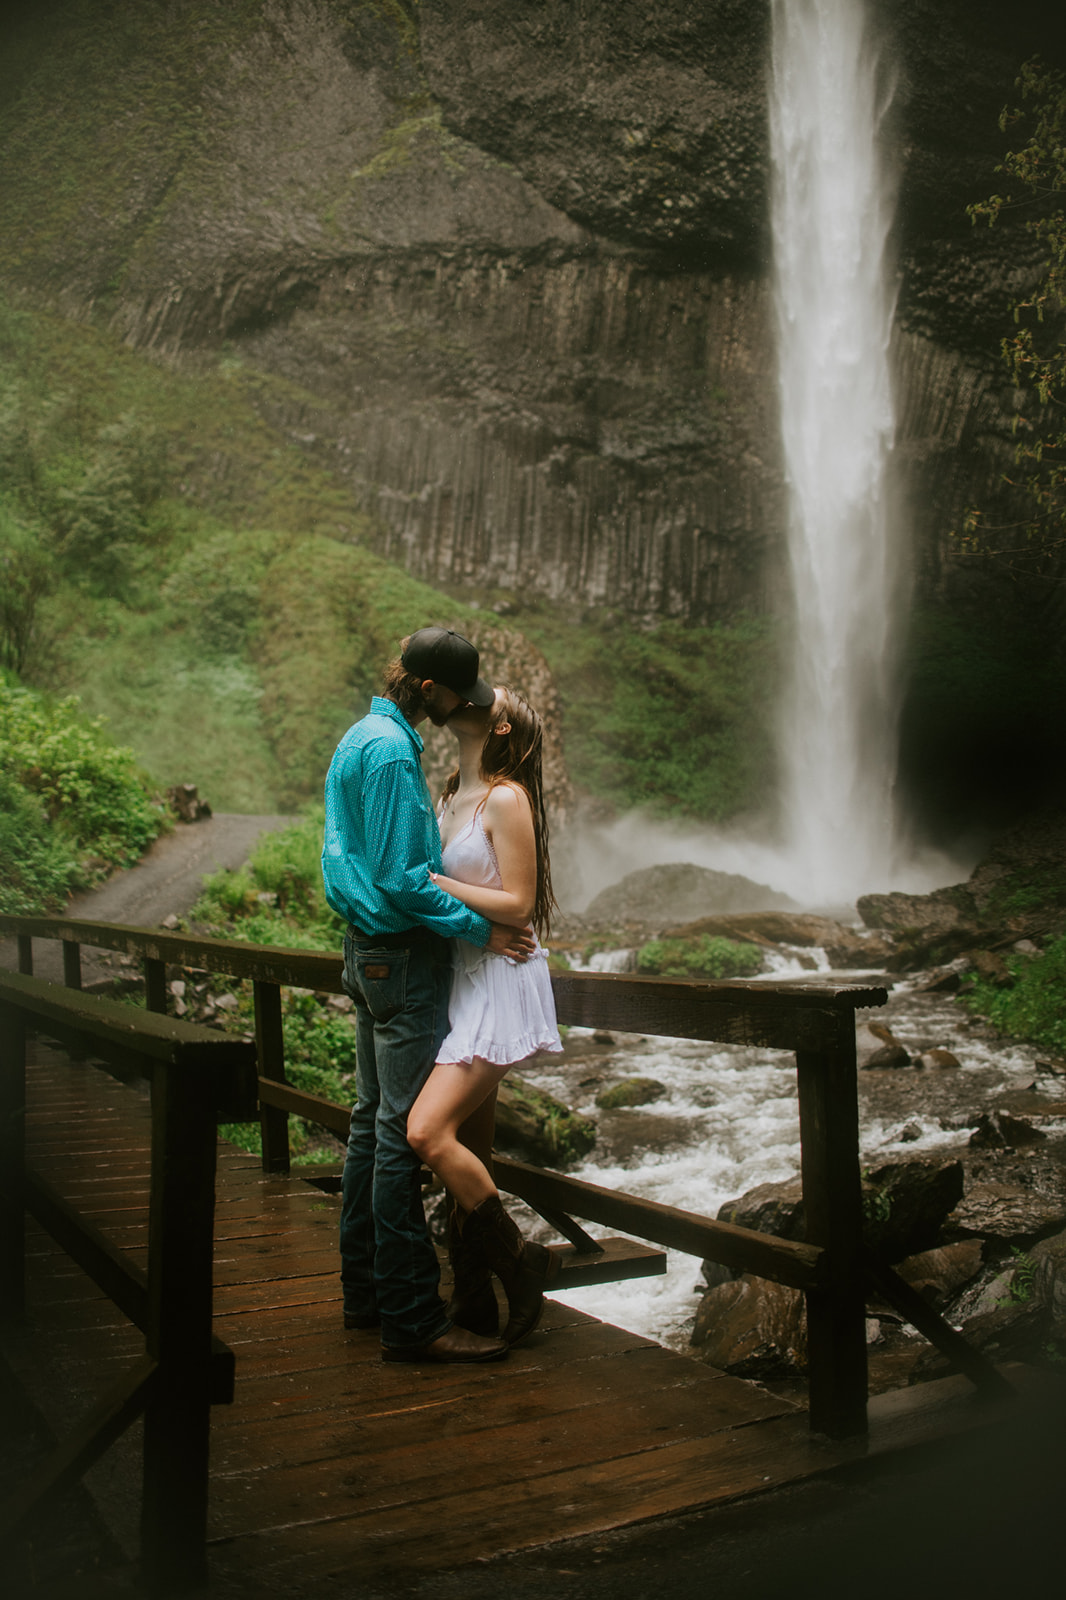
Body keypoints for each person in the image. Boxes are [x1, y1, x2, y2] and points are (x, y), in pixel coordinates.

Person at [321, 627, 534, 1365]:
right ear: (431, 691)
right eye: (455, 697)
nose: (457, 712)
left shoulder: (361, 738)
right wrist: (483, 928)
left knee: (368, 1126)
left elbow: (344, 858)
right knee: (393, 1140)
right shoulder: (389, 754)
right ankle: (412, 1319)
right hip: (401, 964)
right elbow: (403, 880)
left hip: (366, 952)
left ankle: (366, 1296)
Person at [406, 685, 563, 1346]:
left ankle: (523, 1265)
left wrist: (428, 881)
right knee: (467, 1146)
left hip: (500, 982)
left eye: (492, 696)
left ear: (500, 729)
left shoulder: (506, 797)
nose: (475, 694)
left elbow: (520, 902)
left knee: (425, 1133)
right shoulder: (448, 794)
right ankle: (473, 1298)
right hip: (463, 978)